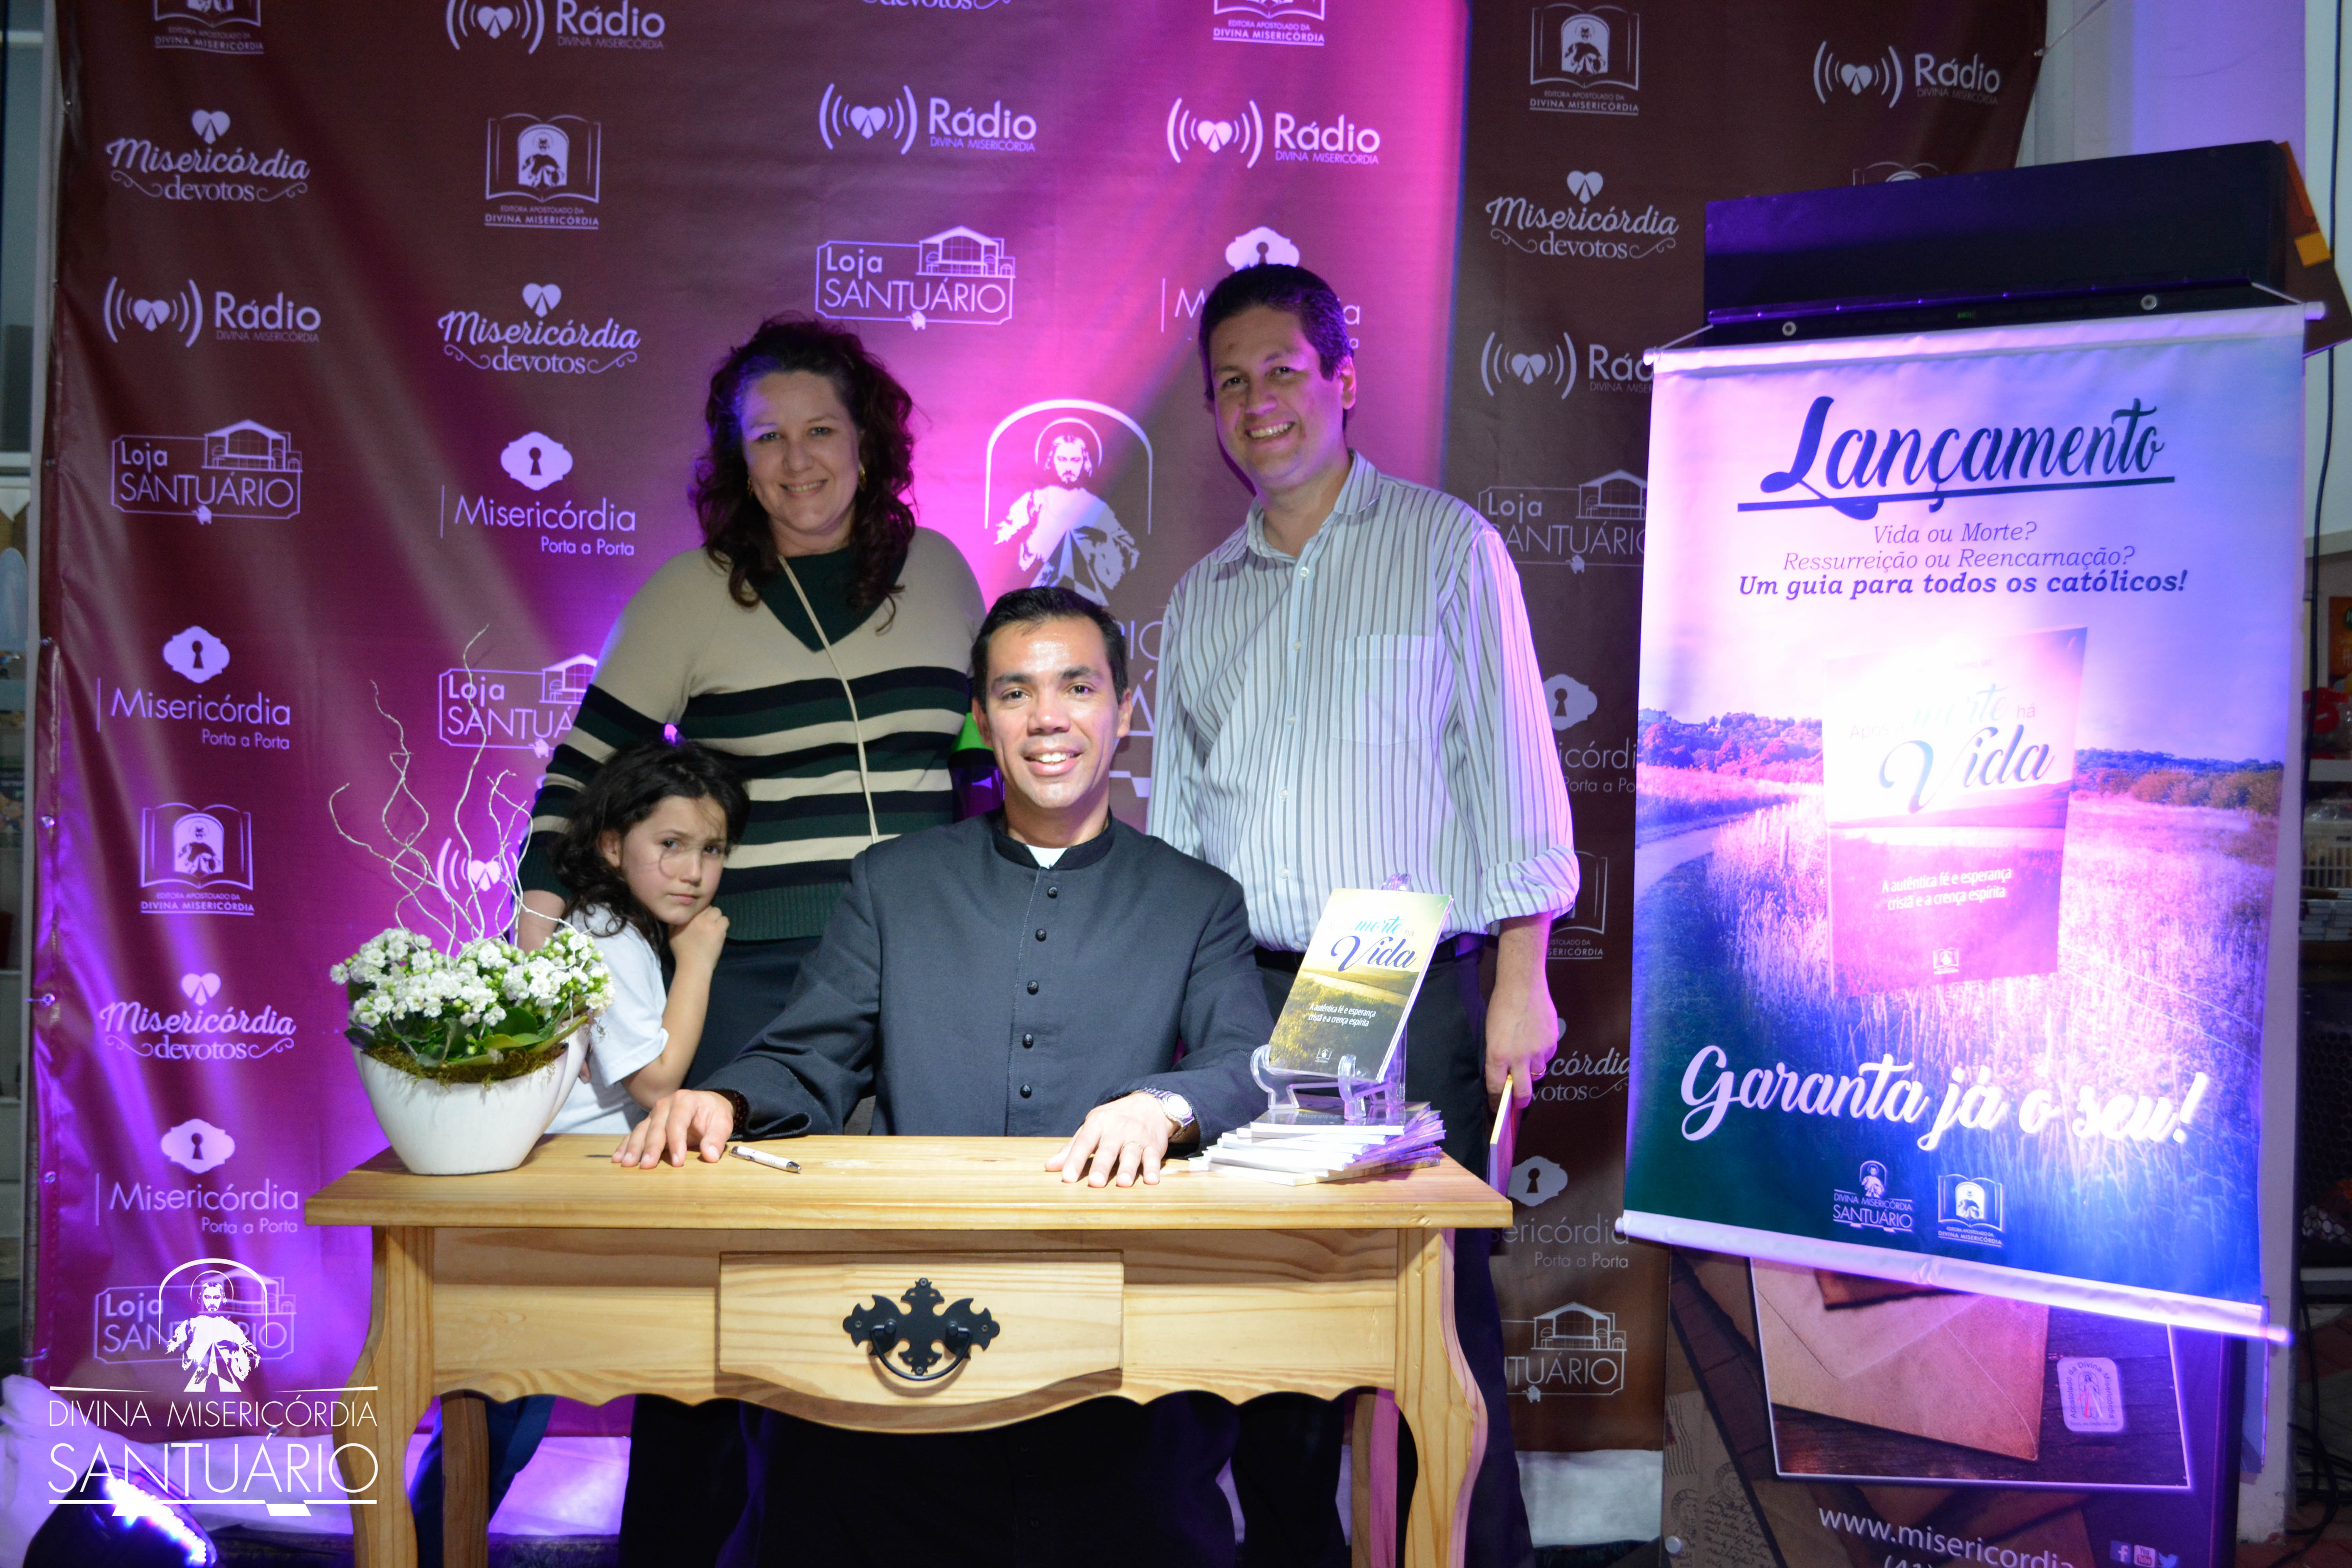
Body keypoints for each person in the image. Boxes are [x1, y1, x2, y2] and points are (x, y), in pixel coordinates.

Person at [615, 586, 1270, 1566]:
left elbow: (1244, 1064)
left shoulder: (1198, 897)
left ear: (1124, 710)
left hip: (1106, 1307)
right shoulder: (894, 880)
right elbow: (810, 1051)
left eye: (1077, 687)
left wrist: (1160, 1104)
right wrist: (725, 1096)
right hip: (908, 1304)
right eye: (1014, 692)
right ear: (983, 717)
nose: (1047, 717)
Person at [512, 314, 986, 1567]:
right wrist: (531, 944)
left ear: (868, 440)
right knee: (716, 1329)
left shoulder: (943, 576)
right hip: (757, 992)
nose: (797, 459)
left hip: (924, 987)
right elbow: (578, 783)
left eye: (821, 429)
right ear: (735, 459)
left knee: (894, 1306)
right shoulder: (692, 595)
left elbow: (982, 773)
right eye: (766, 438)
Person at [1151, 263, 1579, 1568]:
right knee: (1270, 1342)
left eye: (1284, 370)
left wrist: (1523, 980)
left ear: (1343, 379)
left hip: (1403, 994)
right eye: (1232, 383)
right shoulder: (1202, 597)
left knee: (1435, 1326)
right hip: (1249, 1002)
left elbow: (1514, 773)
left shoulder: (1448, 547)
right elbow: (1178, 833)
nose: (1259, 402)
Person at [407, 738, 750, 1568]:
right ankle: (419, 1552)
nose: (693, 872)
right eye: (670, 844)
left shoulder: (613, 923)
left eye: (711, 849)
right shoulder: (604, 932)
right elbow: (657, 1082)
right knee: (498, 1418)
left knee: (501, 1415)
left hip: (569, 1193)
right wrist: (700, 959)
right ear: (611, 845)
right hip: (551, 1198)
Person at [995, 417, 1141, 605]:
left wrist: (1099, 540)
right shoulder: (1034, 500)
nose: (1069, 467)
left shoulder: (1096, 506)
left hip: (1082, 599)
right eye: (1062, 459)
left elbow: (1130, 553)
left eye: (1075, 460)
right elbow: (1002, 539)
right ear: (1052, 460)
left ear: (1085, 462)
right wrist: (1026, 542)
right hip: (1035, 597)